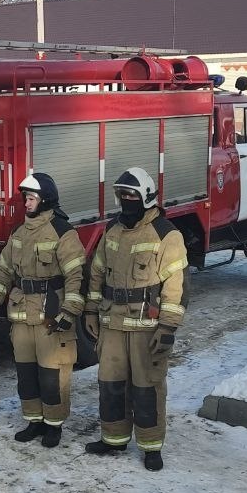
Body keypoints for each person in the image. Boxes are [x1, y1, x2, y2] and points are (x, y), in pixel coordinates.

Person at [83, 168, 186, 472]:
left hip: (147, 328)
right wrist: (90, 311)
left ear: (146, 198)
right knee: (110, 384)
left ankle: (151, 445)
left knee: (147, 388)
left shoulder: (167, 235)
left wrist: (167, 328)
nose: (125, 201)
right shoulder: (112, 231)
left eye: (131, 196)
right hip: (112, 325)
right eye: (122, 196)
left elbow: (176, 287)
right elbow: (97, 273)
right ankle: (113, 438)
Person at [0, 172, 85, 447]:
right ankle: (34, 421)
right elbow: (2, 270)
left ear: (45, 200)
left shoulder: (63, 232)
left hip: (50, 317)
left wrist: (69, 310)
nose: (26, 204)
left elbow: (76, 276)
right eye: (25, 199)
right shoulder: (18, 232)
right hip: (21, 317)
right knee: (26, 373)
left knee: (52, 374)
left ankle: (54, 425)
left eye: (31, 199)